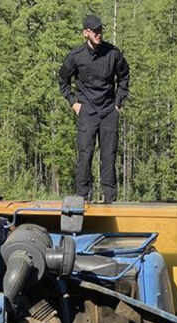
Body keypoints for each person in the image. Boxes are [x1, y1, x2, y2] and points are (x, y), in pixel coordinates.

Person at [58, 13, 129, 203]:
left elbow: (124, 78)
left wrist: (118, 103)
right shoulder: (76, 56)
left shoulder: (113, 53)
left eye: (101, 30)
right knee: (85, 153)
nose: (99, 33)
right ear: (85, 33)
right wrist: (74, 103)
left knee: (109, 155)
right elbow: (63, 80)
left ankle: (109, 198)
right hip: (87, 110)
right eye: (95, 31)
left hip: (108, 110)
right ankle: (83, 197)